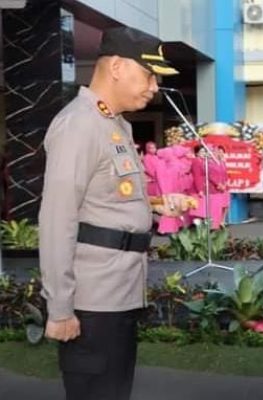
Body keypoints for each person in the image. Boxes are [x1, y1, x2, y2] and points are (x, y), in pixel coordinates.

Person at [38, 26, 193, 400]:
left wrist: (155, 208)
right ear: (119, 67)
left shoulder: (115, 124)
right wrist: (59, 308)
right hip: (91, 301)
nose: (154, 86)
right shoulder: (79, 125)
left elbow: (108, 202)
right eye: (149, 75)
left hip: (119, 292)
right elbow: (57, 220)